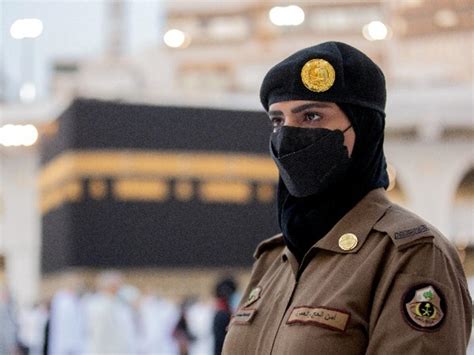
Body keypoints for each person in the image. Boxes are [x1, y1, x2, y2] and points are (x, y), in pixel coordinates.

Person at [222, 41, 472, 354]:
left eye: (312, 116)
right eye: (278, 121)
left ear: (365, 129)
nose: (287, 135)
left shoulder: (409, 255)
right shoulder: (275, 260)